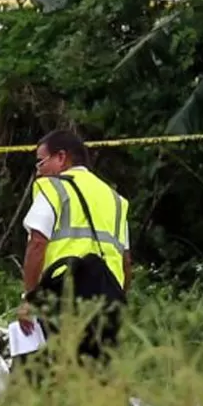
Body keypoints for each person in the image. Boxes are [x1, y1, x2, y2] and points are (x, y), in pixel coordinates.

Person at [21, 129, 131, 365]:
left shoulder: (54, 189)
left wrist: (29, 298)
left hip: (63, 297)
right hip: (108, 301)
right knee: (98, 379)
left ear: (61, 157)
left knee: (58, 374)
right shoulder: (115, 200)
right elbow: (125, 260)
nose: (38, 171)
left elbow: (37, 243)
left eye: (41, 162)